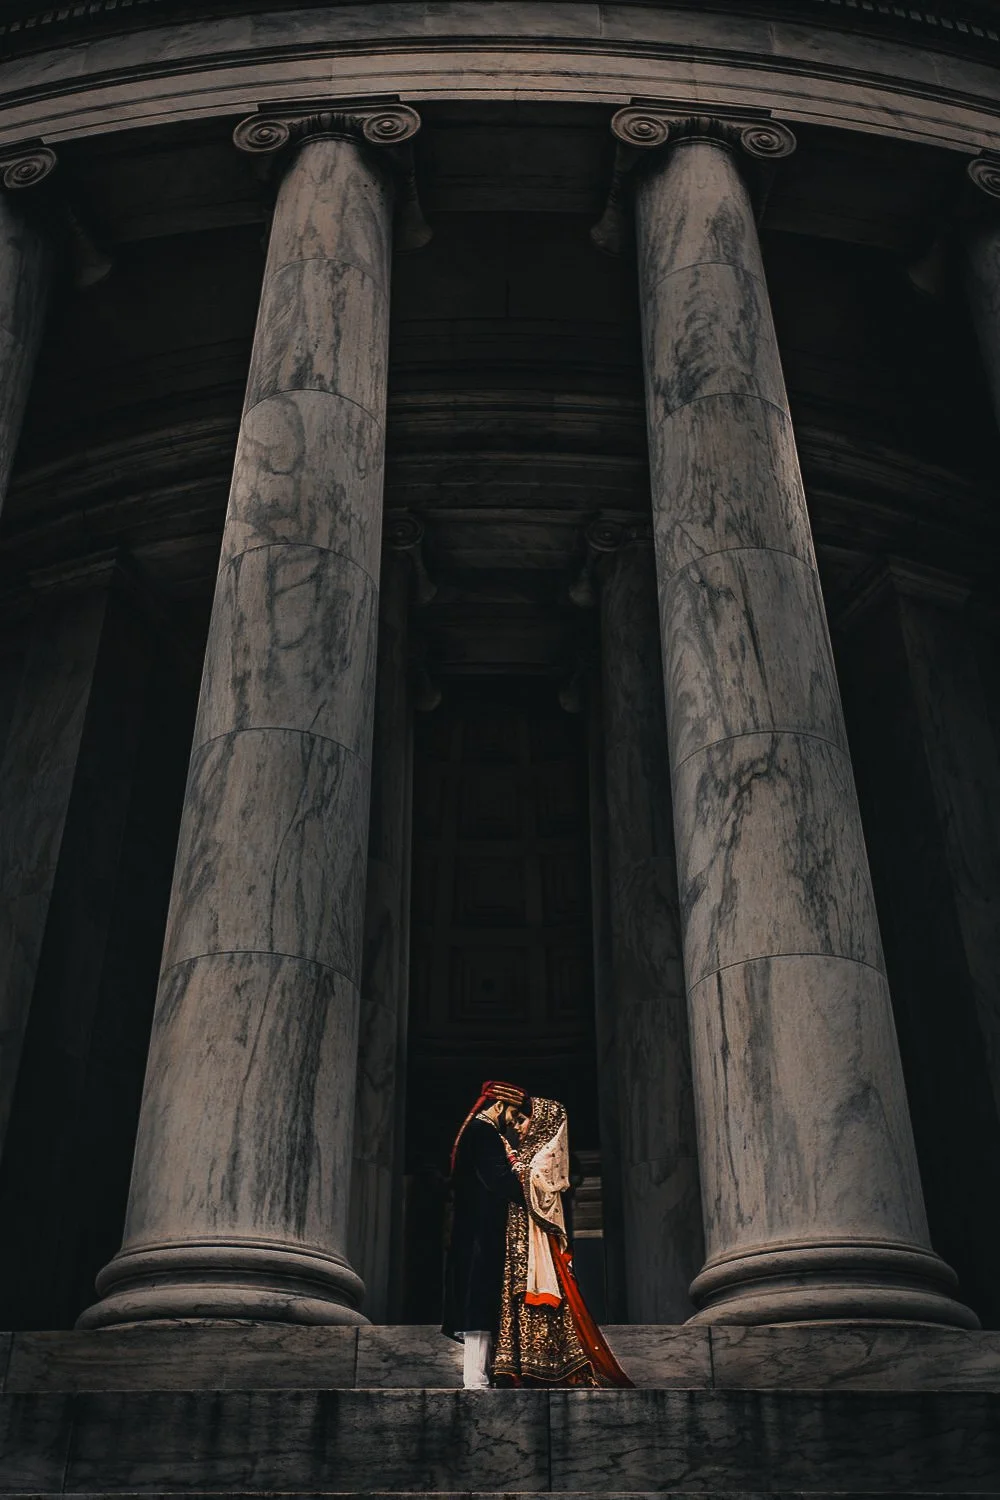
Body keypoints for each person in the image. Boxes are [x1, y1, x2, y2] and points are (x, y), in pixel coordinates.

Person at [491, 1096, 632, 1387]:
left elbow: (538, 1182)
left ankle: (550, 1364)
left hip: (537, 1238)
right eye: (515, 1121)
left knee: (539, 1291)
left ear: (541, 1122)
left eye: (522, 1120)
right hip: (518, 1233)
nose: (517, 1128)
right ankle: (517, 1363)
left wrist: (512, 1159)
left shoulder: (545, 1153)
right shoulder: (528, 1150)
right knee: (515, 1290)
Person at [441, 1079, 532, 1389]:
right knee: (479, 1303)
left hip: (473, 1229)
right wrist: (530, 1177)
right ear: (499, 1105)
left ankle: (481, 1375)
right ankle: (476, 1377)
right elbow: (499, 1180)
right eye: (513, 1113)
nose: (514, 1121)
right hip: (482, 1232)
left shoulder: (475, 1133)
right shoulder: (484, 1133)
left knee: (478, 1300)